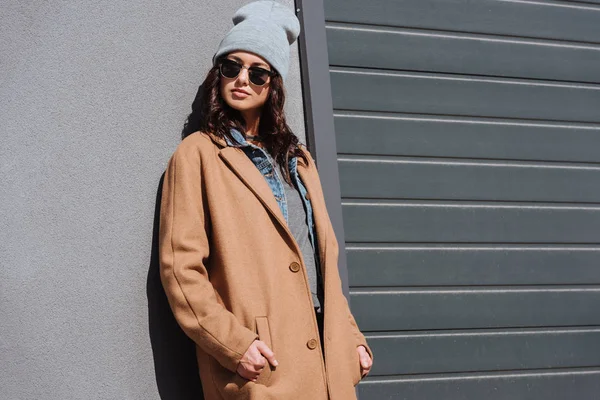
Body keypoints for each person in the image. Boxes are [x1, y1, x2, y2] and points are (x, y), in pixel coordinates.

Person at [158, 1, 373, 399]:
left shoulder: (299, 161)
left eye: (257, 73)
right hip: (265, 367)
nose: (242, 79)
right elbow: (181, 269)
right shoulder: (198, 155)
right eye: (231, 66)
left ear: (273, 85)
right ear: (217, 74)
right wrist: (234, 344)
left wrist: (351, 335)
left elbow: (320, 260)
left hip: (326, 359)